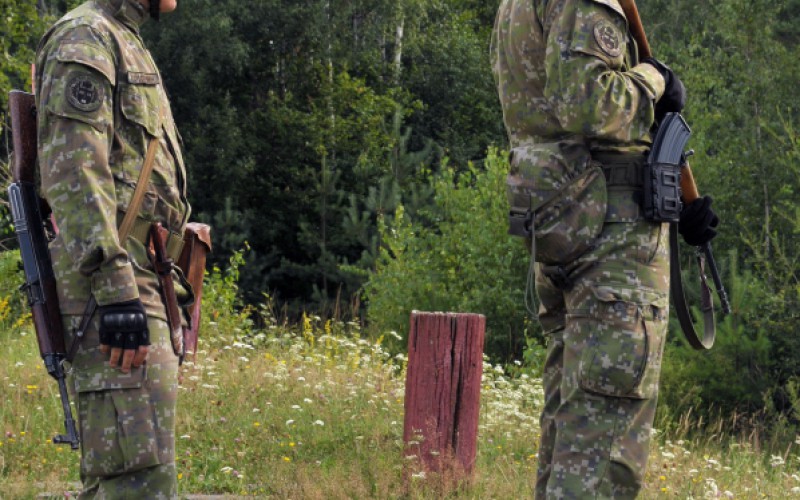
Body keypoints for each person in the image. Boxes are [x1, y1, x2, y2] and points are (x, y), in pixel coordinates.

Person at [491, 0, 718, 498]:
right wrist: (655, 80)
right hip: (610, 240)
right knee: (602, 452)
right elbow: (591, 104)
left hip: (567, 222)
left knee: (574, 436)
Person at [35, 0, 189, 497]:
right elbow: (75, 170)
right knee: (135, 479)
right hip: (114, 283)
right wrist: (116, 287)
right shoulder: (86, 37)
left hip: (142, 271)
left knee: (141, 472)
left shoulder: (122, 36)